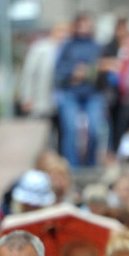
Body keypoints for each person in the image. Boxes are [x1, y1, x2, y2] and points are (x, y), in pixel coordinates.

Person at [54, 12, 105, 167]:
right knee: (70, 129)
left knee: (96, 129)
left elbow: (102, 69)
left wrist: (87, 72)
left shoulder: (97, 47)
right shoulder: (67, 46)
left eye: (87, 24)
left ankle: (91, 164)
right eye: (81, 24)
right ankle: (71, 165)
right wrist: (74, 72)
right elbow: (59, 72)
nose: (84, 27)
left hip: (92, 94)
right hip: (71, 94)